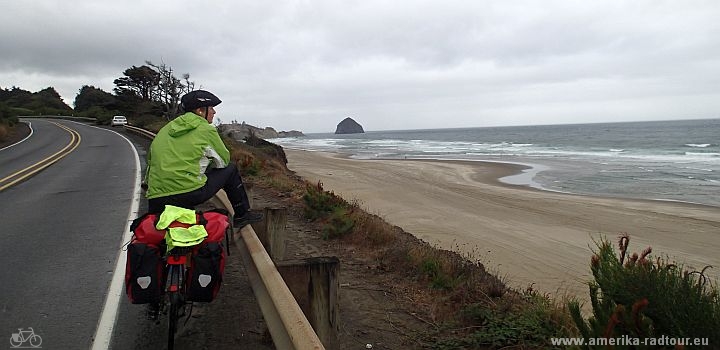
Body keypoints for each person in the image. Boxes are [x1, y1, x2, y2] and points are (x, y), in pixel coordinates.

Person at [144, 89, 262, 228]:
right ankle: (242, 215)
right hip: (186, 194)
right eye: (211, 108)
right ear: (200, 111)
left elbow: (152, 162)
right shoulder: (205, 129)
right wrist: (207, 164)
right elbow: (223, 161)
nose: (214, 112)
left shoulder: (166, 129)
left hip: (156, 197)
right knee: (230, 169)